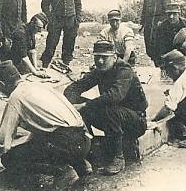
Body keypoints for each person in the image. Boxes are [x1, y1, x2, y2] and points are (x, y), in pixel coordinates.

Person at [0, 61, 92, 191]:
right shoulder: (39, 86)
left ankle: (62, 171)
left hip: (67, 143)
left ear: (1, 84)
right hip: (83, 139)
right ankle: (80, 164)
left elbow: (3, 141)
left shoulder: (16, 98)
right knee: (44, 141)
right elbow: (46, 126)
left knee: (10, 158)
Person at [63, 41, 148, 175]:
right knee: (81, 106)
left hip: (135, 121)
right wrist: (73, 103)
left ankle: (118, 158)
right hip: (114, 119)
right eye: (97, 57)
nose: (100, 61)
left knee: (107, 109)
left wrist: (85, 105)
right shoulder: (100, 70)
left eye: (104, 57)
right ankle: (87, 146)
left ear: (114, 57)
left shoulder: (124, 70)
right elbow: (73, 88)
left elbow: (115, 96)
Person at [40, 0, 82, 67]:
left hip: (70, 20)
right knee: (51, 42)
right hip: (56, 20)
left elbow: (78, 5)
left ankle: (66, 63)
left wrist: (77, 19)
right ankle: (45, 64)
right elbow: (44, 4)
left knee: (69, 43)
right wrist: (50, 17)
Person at [139, 0, 171, 65]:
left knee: (161, 48)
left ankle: (164, 71)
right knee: (151, 49)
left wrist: (163, 22)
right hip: (149, 24)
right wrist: (142, 24)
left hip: (160, 23)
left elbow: (168, 8)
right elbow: (144, 10)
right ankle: (157, 67)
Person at [9, 13, 50, 77]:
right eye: (38, 28)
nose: (40, 31)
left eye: (41, 28)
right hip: (14, 61)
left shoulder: (31, 30)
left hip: (23, 59)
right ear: (32, 23)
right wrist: (35, 72)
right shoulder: (21, 33)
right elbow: (24, 56)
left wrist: (35, 67)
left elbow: (32, 50)